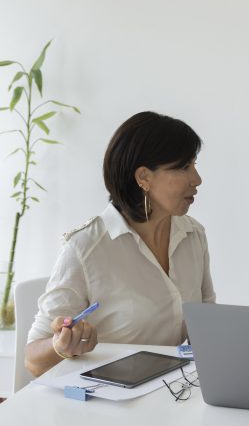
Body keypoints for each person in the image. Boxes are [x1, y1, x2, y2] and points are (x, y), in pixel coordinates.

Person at [25, 111, 215, 377]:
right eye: (184, 167)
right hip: (106, 406)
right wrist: (62, 347)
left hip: (171, 394)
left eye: (194, 165)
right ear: (144, 178)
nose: (197, 179)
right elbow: (33, 360)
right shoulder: (86, 248)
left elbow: (206, 330)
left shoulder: (193, 235)